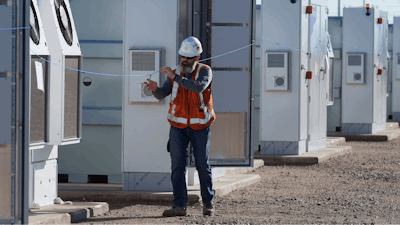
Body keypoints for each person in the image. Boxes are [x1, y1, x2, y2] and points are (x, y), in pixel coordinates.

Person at [144, 36, 216, 217]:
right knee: (177, 166)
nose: (184, 60)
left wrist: (174, 76)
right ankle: (179, 206)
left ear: (197, 57)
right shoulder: (175, 73)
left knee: (202, 165)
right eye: (182, 56)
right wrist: (154, 89)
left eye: (188, 57)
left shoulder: (205, 71)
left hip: (200, 126)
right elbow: (162, 94)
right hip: (178, 126)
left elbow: (198, 87)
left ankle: (208, 204)